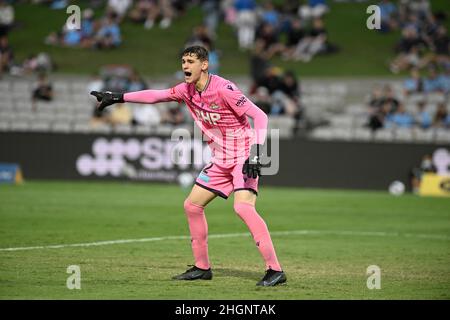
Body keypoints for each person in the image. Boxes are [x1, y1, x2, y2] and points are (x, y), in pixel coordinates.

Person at [90, 45, 286, 286]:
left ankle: (274, 270)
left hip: (243, 156)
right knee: (192, 205)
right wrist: (119, 97)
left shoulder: (225, 89)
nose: (185, 66)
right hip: (220, 160)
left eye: (190, 61)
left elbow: (261, 116)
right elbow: (156, 96)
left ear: (204, 64)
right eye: (183, 61)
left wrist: (256, 153)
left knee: (243, 208)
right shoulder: (186, 90)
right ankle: (202, 267)